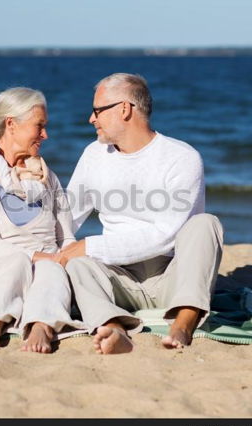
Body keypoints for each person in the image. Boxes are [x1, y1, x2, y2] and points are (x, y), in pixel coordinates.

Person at [61, 73, 224, 354]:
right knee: (78, 264)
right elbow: (65, 216)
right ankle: (113, 326)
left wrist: (90, 245)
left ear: (124, 109)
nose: (91, 118)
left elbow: (166, 234)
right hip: (117, 278)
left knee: (205, 224)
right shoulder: (93, 154)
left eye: (98, 110)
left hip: (170, 276)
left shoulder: (181, 158)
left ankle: (184, 323)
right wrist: (38, 187)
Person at [0, 87, 85, 353]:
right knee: (16, 262)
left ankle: (41, 326)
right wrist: (44, 257)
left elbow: (66, 238)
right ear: (12, 125)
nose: (45, 135)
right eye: (39, 126)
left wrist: (62, 260)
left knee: (52, 270)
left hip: (49, 279)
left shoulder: (47, 177)